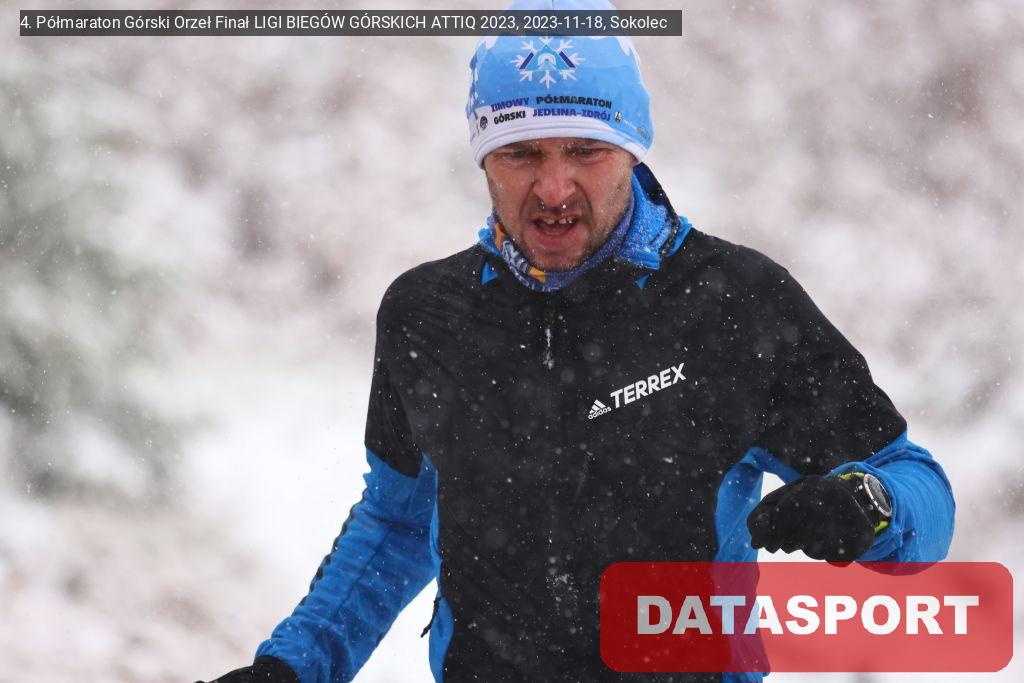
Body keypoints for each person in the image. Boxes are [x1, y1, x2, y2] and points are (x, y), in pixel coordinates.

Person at [196, 1, 955, 681]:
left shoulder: (735, 303)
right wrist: (291, 667)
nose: (554, 189)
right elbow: (398, 522)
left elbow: (917, 485)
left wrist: (871, 505)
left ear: (632, 147)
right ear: (484, 156)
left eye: (585, 151)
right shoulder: (427, 315)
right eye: (522, 153)